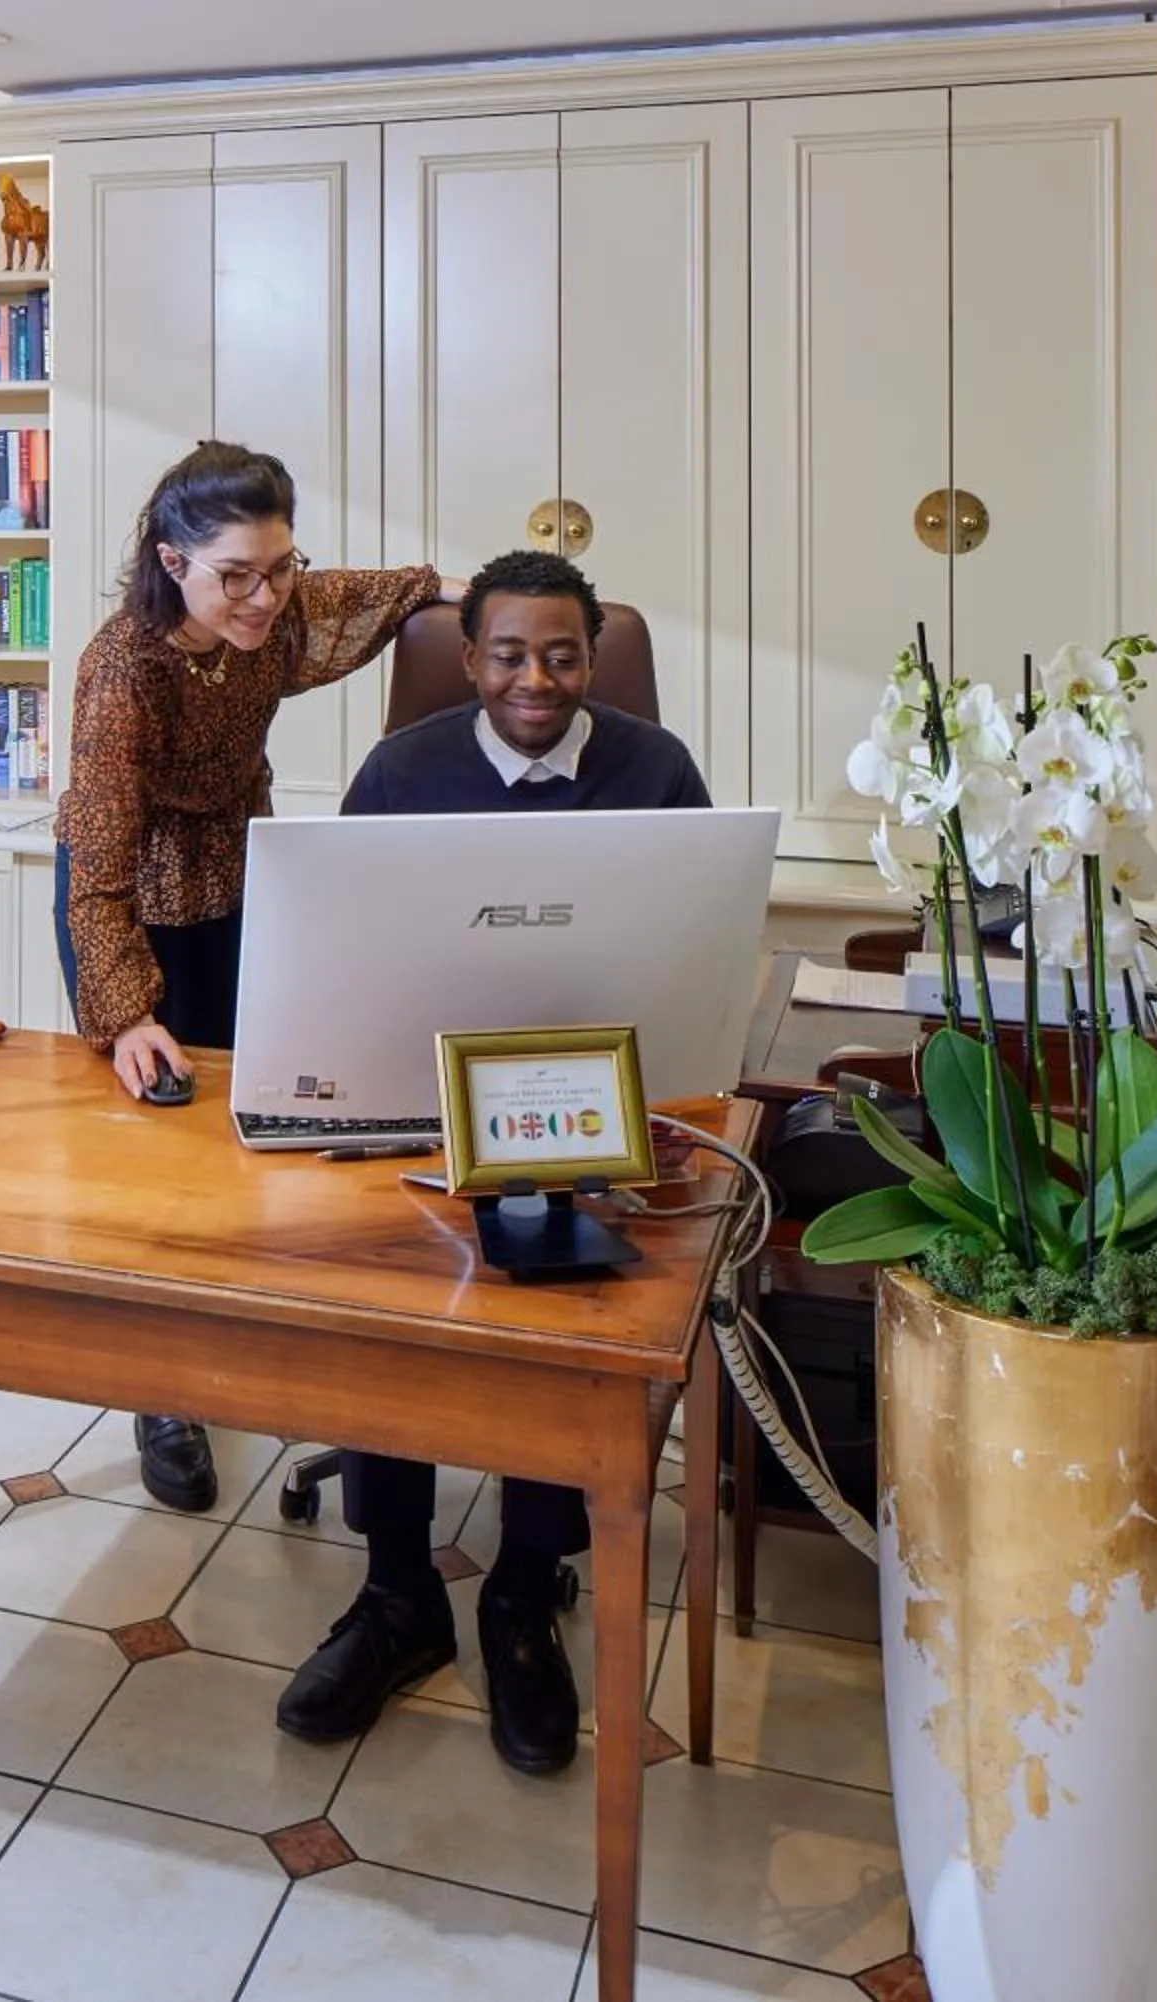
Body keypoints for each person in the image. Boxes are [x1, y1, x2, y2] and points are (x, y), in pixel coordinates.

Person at [277, 547, 711, 1777]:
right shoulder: (401, 771)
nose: (537, 678)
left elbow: (694, 945)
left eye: (563, 653)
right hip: (417, 1095)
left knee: (566, 1315)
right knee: (385, 1307)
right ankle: (399, 1591)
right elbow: (336, 945)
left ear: (592, 657)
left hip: (585, 1106)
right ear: (467, 662)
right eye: (510, 654)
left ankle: (526, 1587)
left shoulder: (654, 769)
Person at [53, 441, 458, 1511]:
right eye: (237, 574)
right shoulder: (122, 668)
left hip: (242, 871)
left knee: (253, 1115)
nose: (267, 595)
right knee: (157, 1154)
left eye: (280, 567)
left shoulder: (271, 613)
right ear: (170, 559)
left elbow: (381, 592)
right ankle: (160, 1392)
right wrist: (128, 1009)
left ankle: (244, 1331)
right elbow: (93, 864)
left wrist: (476, 591)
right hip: (128, 892)